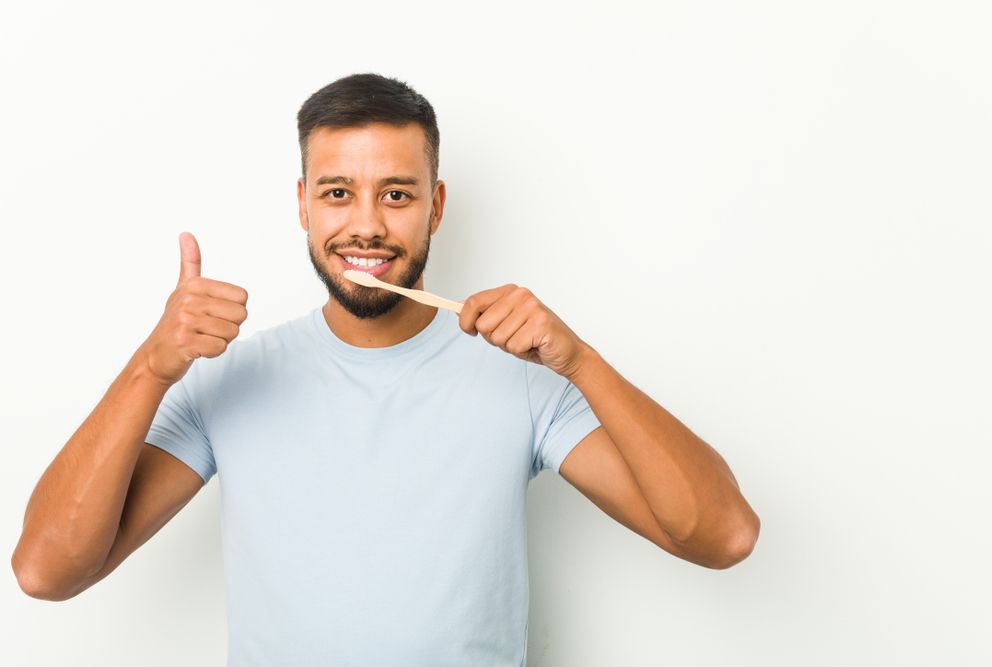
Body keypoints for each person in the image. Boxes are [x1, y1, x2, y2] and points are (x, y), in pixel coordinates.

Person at [11, 73, 760, 665]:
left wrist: (582, 362)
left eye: (395, 194)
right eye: (338, 193)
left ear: (435, 207)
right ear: (303, 206)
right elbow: (46, 570)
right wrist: (151, 367)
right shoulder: (228, 379)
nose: (366, 223)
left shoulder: (523, 378)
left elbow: (722, 534)